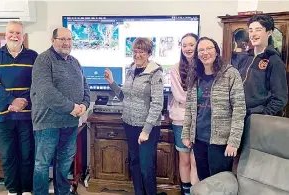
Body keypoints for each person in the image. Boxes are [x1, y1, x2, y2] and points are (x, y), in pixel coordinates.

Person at [31, 27, 90, 195]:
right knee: (42, 164)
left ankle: (62, 192)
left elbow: (85, 87)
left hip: (70, 122)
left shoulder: (75, 62)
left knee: (64, 163)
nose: (66, 43)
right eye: (62, 39)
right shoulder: (43, 60)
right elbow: (46, 92)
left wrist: (84, 106)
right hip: (47, 122)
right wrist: (72, 108)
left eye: (69, 39)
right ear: (53, 40)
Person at [181, 37, 246, 181]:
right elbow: (190, 108)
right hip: (199, 139)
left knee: (219, 183)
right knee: (204, 181)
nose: (205, 53)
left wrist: (234, 141)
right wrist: (186, 133)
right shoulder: (195, 75)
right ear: (197, 55)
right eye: (201, 50)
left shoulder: (230, 74)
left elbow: (239, 109)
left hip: (221, 142)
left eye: (209, 48)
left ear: (216, 51)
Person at [104, 37, 164, 195]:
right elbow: (125, 97)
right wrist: (111, 82)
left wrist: (146, 130)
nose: (137, 55)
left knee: (146, 168)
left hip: (146, 129)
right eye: (135, 51)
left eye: (141, 52)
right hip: (129, 124)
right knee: (135, 165)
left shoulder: (155, 72)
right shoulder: (130, 70)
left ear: (149, 53)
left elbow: (157, 103)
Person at [0, 21, 37, 195]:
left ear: (23, 36)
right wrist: (11, 101)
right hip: (2, 116)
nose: (14, 36)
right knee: (7, 157)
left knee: (27, 155)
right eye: (11, 32)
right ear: (5, 34)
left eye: (18, 33)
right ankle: (13, 190)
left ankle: (27, 190)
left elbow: (37, 84)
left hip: (26, 115)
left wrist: (22, 101)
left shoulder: (33, 56)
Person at [238, 14, 287, 117]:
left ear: (269, 32)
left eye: (258, 30)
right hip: (239, 116)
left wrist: (261, 116)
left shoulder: (274, 61)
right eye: (251, 30)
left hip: (256, 120)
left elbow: (280, 99)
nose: (253, 34)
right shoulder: (245, 58)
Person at [169, 33, 199, 195]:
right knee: (185, 159)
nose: (188, 48)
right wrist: (201, 99)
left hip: (200, 120)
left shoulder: (204, 67)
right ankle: (186, 192)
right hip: (181, 120)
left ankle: (195, 192)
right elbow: (179, 96)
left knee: (196, 161)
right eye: (184, 45)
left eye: (191, 44)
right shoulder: (175, 69)